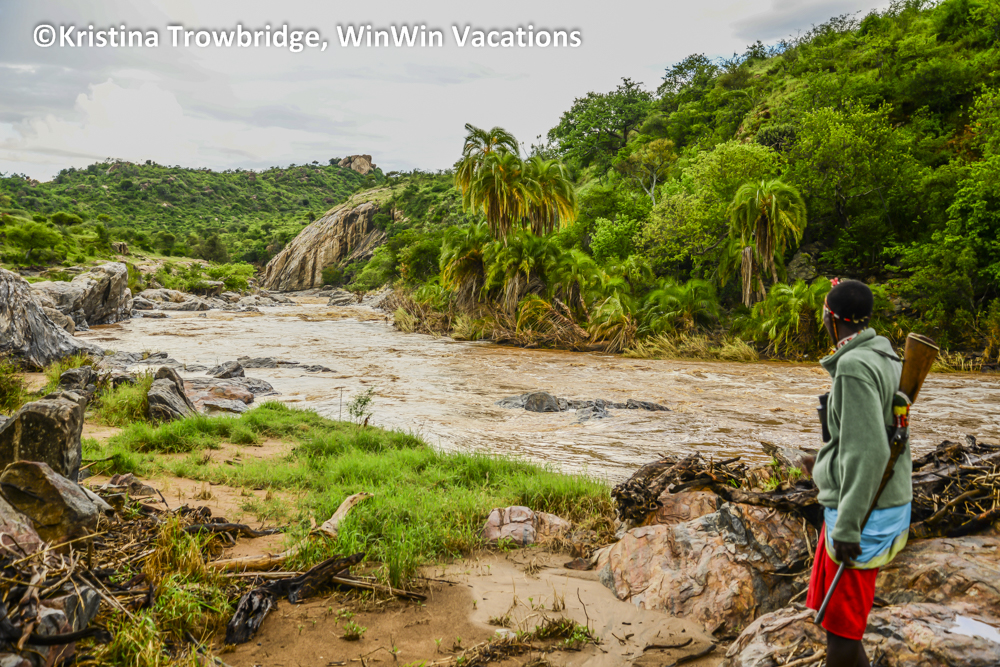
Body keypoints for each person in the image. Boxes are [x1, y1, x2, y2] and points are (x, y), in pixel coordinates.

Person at [801, 279, 912, 667]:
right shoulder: (886, 355)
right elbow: (871, 434)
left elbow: (870, 451)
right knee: (837, 623)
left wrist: (848, 528)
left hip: (863, 515)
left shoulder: (852, 366)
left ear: (831, 319)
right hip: (882, 501)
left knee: (842, 635)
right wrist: (824, 463)